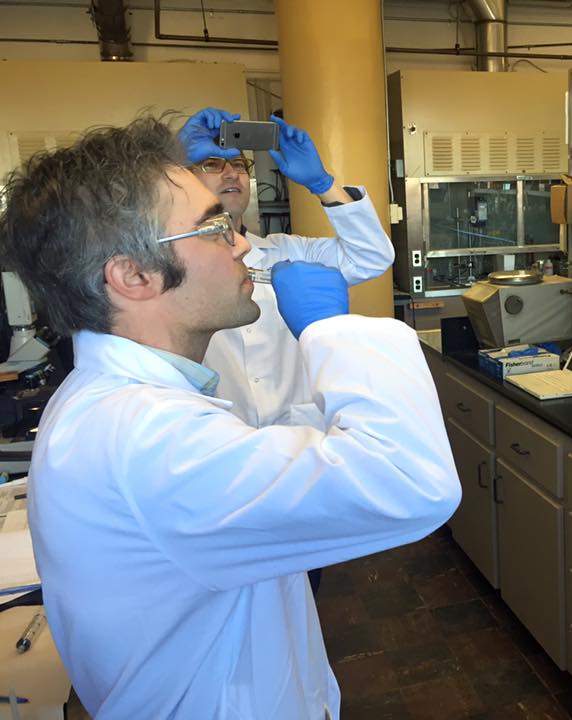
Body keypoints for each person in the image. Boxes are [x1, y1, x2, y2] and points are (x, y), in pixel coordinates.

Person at [0, 116, 460, 719]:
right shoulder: (149, 435)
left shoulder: (123, 402)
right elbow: (413, 482)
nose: (242, 242)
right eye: (213, 228)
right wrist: (331, 330)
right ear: (134, 275)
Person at [178, 107, 394, 428]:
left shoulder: (287, 250)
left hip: (299, 437)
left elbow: (372, 255)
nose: (231, 172)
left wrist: (323, 184)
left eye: (239, 164)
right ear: (184, 179)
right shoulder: (168, 260)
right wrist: (171, 159)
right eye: (212, 164)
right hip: (219, 439)